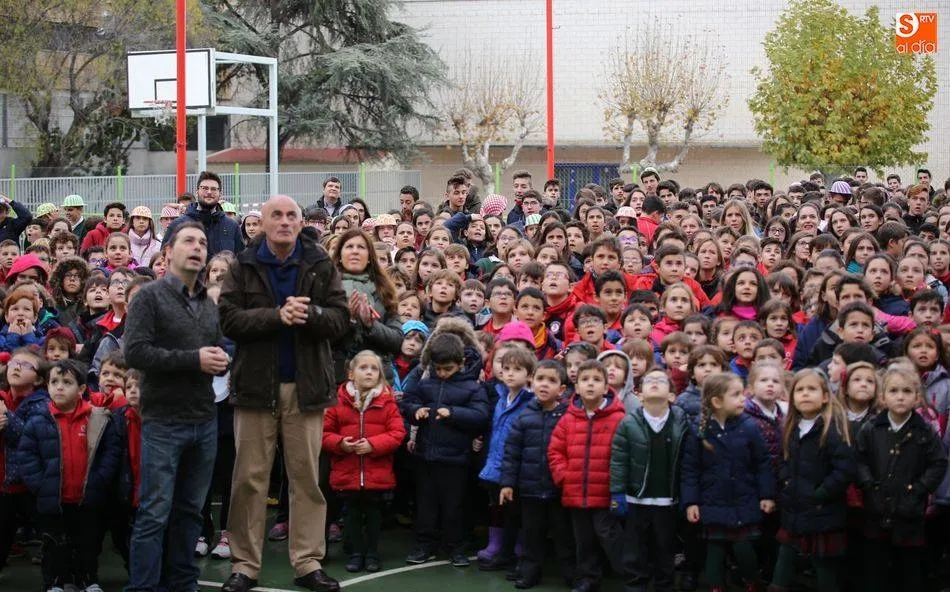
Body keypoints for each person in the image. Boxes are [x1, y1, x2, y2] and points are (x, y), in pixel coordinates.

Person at [218, 195, 348, 592]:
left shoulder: (320, 263)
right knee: (249, 480)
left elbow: (340, 319)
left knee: (306, 478)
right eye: (277, 215)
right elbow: (228, 319)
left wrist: (310, 314)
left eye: (292, 215)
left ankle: (308, 563)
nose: (285, 221)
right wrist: (277, 316)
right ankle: (244, 565)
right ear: (262, 223)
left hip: (305, 388)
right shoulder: (242, 265)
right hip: (255, 388)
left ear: (300, 222)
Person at [123, 220, 229, 592]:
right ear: (167, 252)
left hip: (204, 420)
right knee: (154, 514)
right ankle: (143, 587)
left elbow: (215, 349)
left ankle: (183, 582)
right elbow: (135, 353)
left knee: (189, 512)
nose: (198, 247)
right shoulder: (149, 297)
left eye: (202, 242)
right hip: (164, 421)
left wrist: (221, 360)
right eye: (188, 241)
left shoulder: (207, 304)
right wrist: (194, 360)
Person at [18, 359, 121, 592]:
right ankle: (54, 582)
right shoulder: (38, 421)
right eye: (54, 381)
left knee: (87, 542)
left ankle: (87, 580)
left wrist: (100, 479)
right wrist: (40, 485)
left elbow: (111, 452)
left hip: (88, 496)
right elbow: (27, 456)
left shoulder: (98, 418)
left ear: (82, 389)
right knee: (53, 543)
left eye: (67, 382)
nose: (59, 387)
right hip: (53, 498)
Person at [401, 331, 489, 567]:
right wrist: (416, 411)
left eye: (447, 369)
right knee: (426, 504)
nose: (442, 373)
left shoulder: (473, 387)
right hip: (425, 455)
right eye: (438, 368)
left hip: (456, 459)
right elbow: (407, 402)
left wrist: (453, 413)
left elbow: (480, 415)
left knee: (455, 505)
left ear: (461, 363)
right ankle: (424, 544)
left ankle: (456, 546)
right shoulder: (425, 383)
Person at [857, 367, 948, 592]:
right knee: (875, 571)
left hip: (910, 514)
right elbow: (859, 460)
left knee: (909, 572)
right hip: (876, 510)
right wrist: (869, 485)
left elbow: (938, 463)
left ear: (917, 398)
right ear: (882, 397)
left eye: (907, 391)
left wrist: (918, 489)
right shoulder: (871, 428)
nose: (900, 396)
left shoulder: (925, 431)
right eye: (894, 391)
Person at [682, 373, 775, 592]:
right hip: (712, 501)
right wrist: (691, 502)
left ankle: (752, 583)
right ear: (717, 401)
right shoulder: (699, 429)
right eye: (736, 395)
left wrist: (767, 494)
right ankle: (716, 586)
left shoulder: (749, 426)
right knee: (715, 550)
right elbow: (690, 470)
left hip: (744, 499)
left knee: (744, 548)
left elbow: (763, 463)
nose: (743, 399)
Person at [770, 368, 855, 592]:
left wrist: (822, 492)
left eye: (811, 389)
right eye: (800, 390)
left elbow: (844, 469)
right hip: (794, 508)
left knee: (823, 564)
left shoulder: (833, 428)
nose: (805, 394)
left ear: (825, 396)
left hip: (822, 510)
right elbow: (783, 461)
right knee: (785, 556)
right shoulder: (789, 428)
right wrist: (786, 482)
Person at [322, 350, 405, 573]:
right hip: (347, 471)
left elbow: (397, 433)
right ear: (351, 373)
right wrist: (340, 443)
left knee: (374, 514)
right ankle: (357, 552)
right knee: (351, 513)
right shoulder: (338, 401)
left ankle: (372, 553)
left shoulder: (387, 403)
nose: (369, 372)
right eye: (363, 367)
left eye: (374, 368)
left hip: (376, 471)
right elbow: (324, 432)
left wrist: (373, 445)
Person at [548, 359, 626, 592]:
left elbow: (625, 453)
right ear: (577, 386)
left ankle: (630, 574)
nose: (590, 384)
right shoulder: (568, 418)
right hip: (575, 492)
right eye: (585, 379)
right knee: (583, 539)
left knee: (609, 534)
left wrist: (617, 483)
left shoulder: (618, 418)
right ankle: (588, 578)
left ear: (606, 387)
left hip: (605, 492)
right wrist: (564, 476)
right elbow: (555, 451)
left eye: (596, 380)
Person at [610, 368, 690, 592]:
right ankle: (635, 584)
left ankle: (664, 585)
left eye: (661, 381)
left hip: (667, 500)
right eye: (649, 381)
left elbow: (687, 462)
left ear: (672, 395)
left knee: (665, 547)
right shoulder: (628, 423)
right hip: (636, 499)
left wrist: (686, 496)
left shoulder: (681, 423)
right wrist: (617, 493)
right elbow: (619, 460)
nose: (654, 382)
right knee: (635, 549)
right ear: (639, 394)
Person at [499, 359, 574, 589]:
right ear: (532, 382)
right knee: (532, 535)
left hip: (558, 490)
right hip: (530, 489)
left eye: (551, 380)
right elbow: (512, 453)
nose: (544, 384)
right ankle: (530, 572)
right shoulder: (524, 416)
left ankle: (572, 574)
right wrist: (507, 483)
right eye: (540, 379)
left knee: (563, 536)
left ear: (561, 389)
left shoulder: (568, 417)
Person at [163, 171, 244, 258]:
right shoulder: (178, 225)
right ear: (197, 192)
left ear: (220, 194)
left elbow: (240, 261)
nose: (209, 192)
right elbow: (165, 258)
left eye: (214, 189)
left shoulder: (232, 226)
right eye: (204, 188)